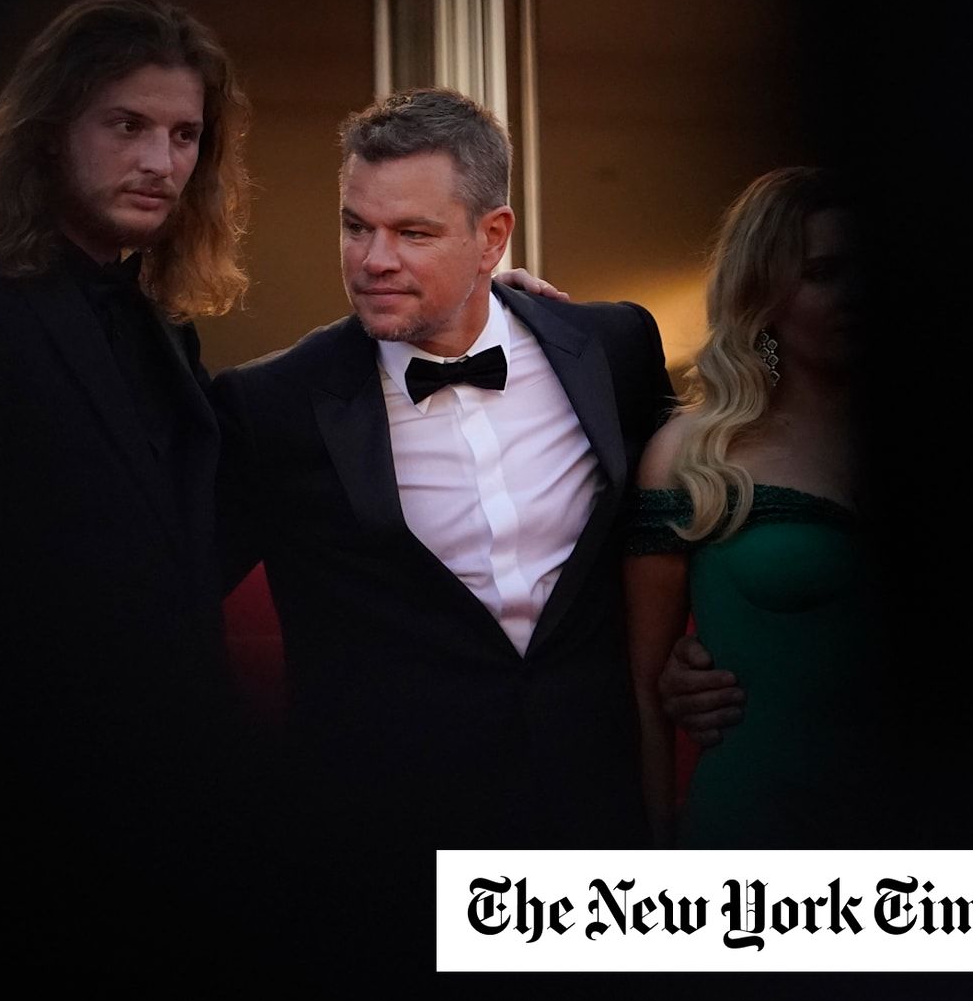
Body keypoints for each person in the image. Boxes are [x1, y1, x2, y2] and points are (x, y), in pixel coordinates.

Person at [213, 89, 673, 945]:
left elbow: (703, 492)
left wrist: (700, 656)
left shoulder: (613, 346)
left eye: (413, 233)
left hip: (593, 829)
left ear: (492, 238)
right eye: (356, 226)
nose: (373, 259)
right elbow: (163, 591)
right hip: (387, 854)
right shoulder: (271, 405)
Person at [0, 0, 252, 974]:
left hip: (175, 819)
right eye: (127, 126)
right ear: (50, 132)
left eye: (184, 136)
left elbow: (185, 548)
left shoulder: (164, 330)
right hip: (24, 835)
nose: (160, 161)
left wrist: (474, 315)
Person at [622, 166, 892, 848]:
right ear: (763, 293)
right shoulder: (692, 454)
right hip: (756, 829)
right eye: (823, 273)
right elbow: (643, 690)